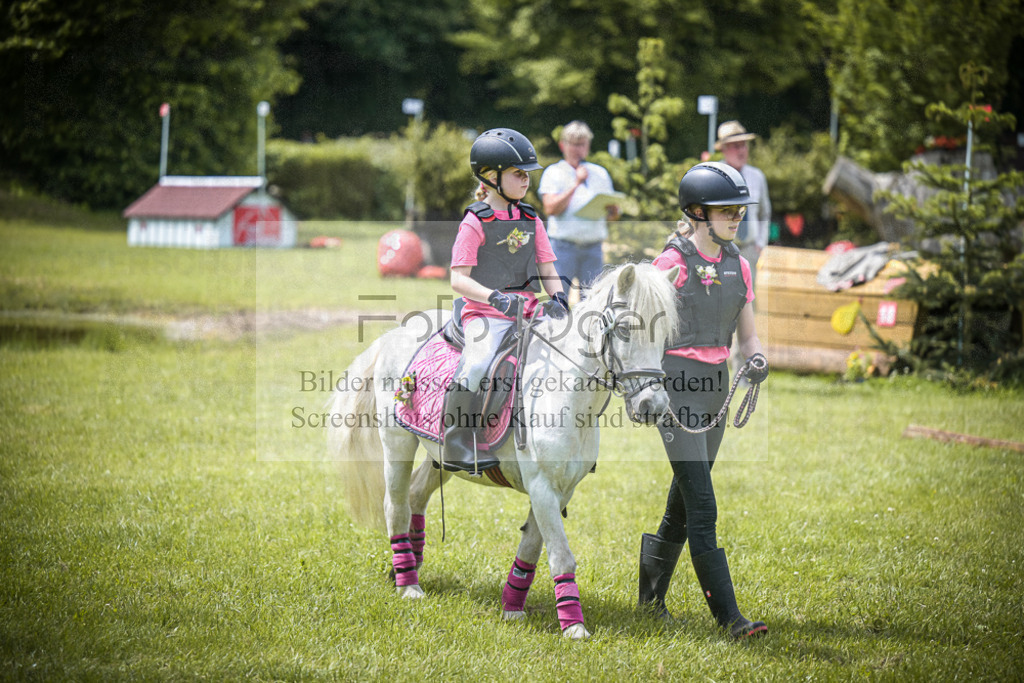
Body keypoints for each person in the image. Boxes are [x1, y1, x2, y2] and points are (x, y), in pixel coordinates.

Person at [637, 161, 770, 639]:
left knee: (683, 500)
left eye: (740, 209)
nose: (737, 217)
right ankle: (731, 620)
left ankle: (649, 602)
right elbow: (644, 335)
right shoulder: (669, 265)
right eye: (726, 209)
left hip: (717, 385)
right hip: (677, 387)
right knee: (704, 504)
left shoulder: (740, 264)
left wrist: (756, 360)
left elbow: (748, 337)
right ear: (696, 211)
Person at [445, 128, 569, 474]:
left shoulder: (531, 218)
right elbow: (458, 279)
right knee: (477, 363)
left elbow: (547, 266)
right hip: (485, 313)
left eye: (527, 174)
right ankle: (457, 440)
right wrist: (495, 299)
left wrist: (559, 296)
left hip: (529, 312)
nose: (526, 180)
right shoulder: (475, 222)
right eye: (518, 174)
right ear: (491, 176)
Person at [538, 121, 620, 298]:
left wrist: (613, 210)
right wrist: (576, 183)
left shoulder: (600, 173)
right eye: (573, 144)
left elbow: (612, 216)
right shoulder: (554, 172)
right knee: (558, 300)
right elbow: (550, 208)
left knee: (593, 301)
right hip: (562, 248)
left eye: (582, 144)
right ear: (563, 145)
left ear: (588, 146)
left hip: (593, 248)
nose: (578, 149)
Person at [715, 120, 771, 286]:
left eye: (744, 145)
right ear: (724, 150)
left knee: (747, 301)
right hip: (719, 250)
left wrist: (760, 244)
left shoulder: (757, 176)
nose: (741, 151)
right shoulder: (714, 175)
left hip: (749, 251)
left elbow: (764, 213)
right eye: (735, 146)